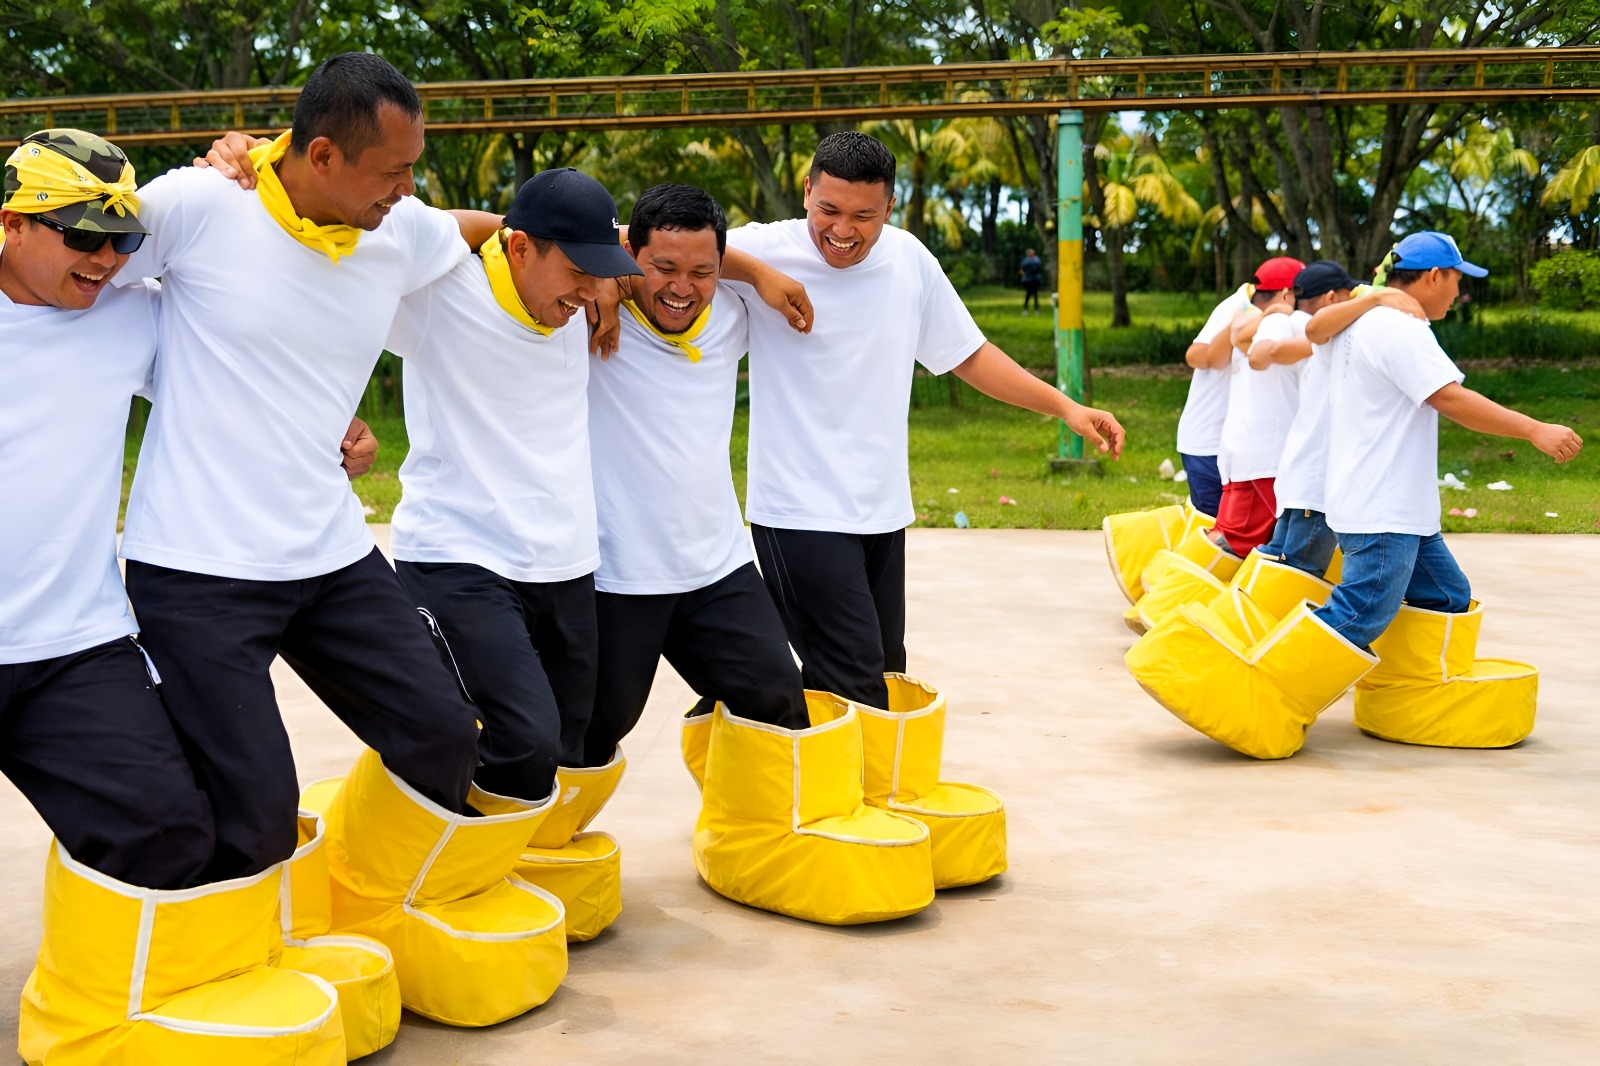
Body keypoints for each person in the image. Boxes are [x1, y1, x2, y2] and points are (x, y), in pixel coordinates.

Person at [116, 52, 571, 1029]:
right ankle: (211, 990)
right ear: (319, 154)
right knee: (254, 807)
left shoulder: (398, 231)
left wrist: (603, 271)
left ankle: (368, 907)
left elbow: (487, 231)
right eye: (391, 171)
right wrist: (188, 385)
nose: (407, 192)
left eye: (414, 172)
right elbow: (86, 290)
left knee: (443, 734)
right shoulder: (199, 205)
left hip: (329, 553)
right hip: (197, 566)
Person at [3, 129, 352, 1065]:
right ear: (11, 225)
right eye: (84, 237)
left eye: (123, 240)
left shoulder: (129, 312)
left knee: (170, 839)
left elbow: (243, 376)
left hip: (68, 645)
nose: (109, 259)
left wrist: (338, 428)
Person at [730, 131, 1125, 712]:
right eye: (828, 210)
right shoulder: (763, 248)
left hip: (881, 510)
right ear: (807, 190)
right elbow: (641, 244)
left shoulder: (909, 258)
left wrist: (1065, 406)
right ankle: (848, 798)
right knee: (855, 681)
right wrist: (757, 273)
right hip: (798, 512)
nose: (843, 230)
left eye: (864, 216)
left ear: (890, 206)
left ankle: (829, 786)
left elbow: (967, 354)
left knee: (886, 673)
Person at [586, 183, 811, 763]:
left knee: (780, 704)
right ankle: (536, 845)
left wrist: (758, 274)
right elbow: (534, 235)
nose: (683, 288)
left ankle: (746, 838)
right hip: (617, 571)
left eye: (702, 272)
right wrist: (603, 279)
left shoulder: (731, 314)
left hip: (715, 566)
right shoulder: (584, 313)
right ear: (630, 253)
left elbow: (707, 262)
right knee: (595, 724)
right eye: (663, 267)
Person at [1176, 256, 1301, 518]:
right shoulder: (1240, 309)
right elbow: (1199, 356)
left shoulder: (1260, 314)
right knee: (1221, 536)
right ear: (1287, 295)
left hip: (1230, 445)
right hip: (1210, 442)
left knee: (1230, 535)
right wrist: (1239, 329)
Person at [1206, 257, 1307, 558]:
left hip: (1243, 454)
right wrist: (1278, 312)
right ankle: (1172, 593)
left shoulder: (1246, 319)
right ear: (1288, 293)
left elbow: (1237, 335)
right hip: (1268, 458)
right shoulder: (1279, 322)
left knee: (1235, 541)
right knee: (1233, 546)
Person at [1019, 247, 1043, 313]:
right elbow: (1021, 270)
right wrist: (1025, 275)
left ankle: (1035, 308)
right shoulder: (1026, 261)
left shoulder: (1037, 260)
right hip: (1028, 280)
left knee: (1034, 293)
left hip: (1035, 279)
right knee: (1029, 293)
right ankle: (1027, 308)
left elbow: (1038, 268)